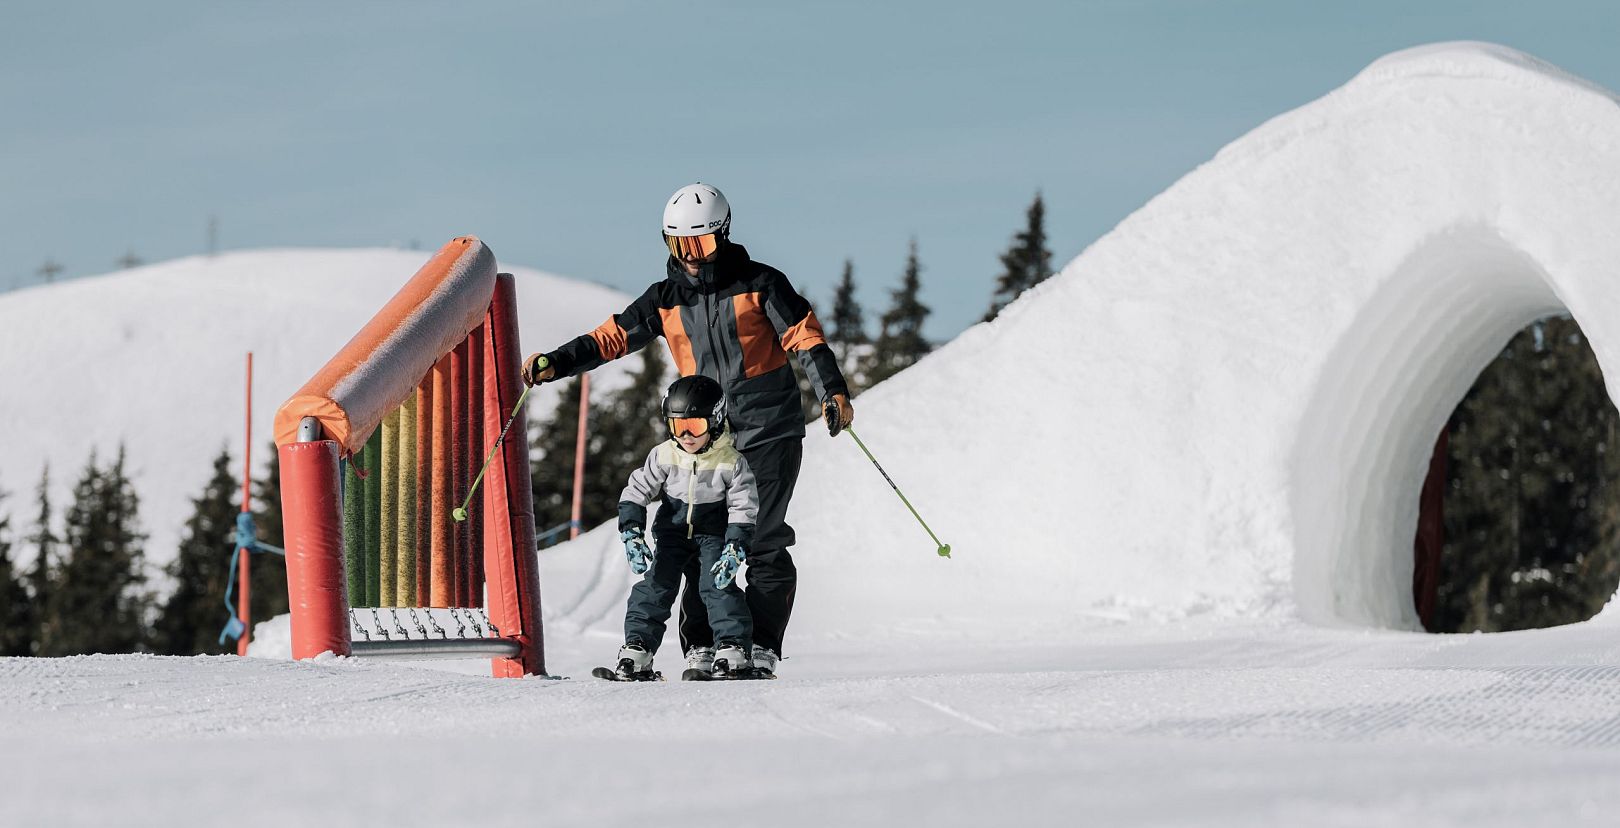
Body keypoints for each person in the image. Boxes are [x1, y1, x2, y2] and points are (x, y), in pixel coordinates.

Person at [524, 182, 854, 677]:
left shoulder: (761, 283)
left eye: (700, 244)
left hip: (769, 428)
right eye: (680, 246)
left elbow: (802, 335)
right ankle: (703, 645)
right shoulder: (666, 299)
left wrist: (831, 389)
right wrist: (559, 363)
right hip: (705, 438)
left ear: (723, 235)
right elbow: (611, 336)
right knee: (702, 536)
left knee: (760, 536)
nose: (692, 258)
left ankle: (759, 644)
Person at [610, 375, 757, 680]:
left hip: (712, 536)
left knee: (716, 586)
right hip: (672, 535)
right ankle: (637, 648)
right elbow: (637, 490)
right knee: (656, 586)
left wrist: (735, 547)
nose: (687, 436)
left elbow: (744, 506)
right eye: (678, 426)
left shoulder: (731, 461)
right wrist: (631, 532)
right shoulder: (664, 454)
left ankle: (731, 648)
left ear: (715, 421)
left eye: (696, 426)